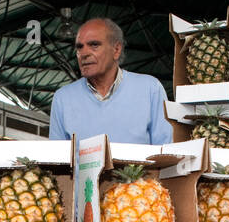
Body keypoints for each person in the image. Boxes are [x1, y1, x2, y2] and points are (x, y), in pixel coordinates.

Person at [48, 17, 171, 145]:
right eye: (79, 47)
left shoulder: (150, 89)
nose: (84, 53)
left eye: (94, 45)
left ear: (116, 50)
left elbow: (165, 151)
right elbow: (57, 159)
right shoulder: (63, 98)